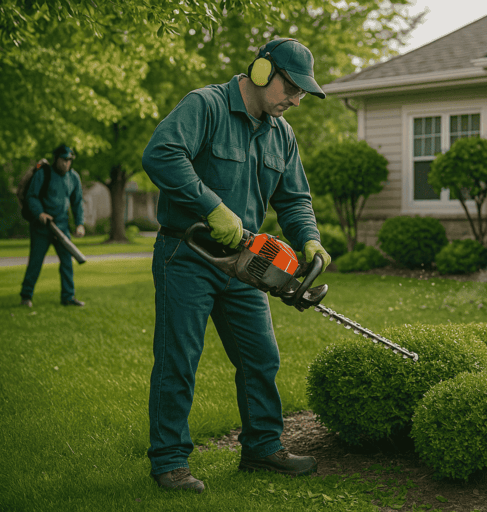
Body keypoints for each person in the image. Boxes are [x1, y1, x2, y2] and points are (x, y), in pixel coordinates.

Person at [141, 38, 332, 494]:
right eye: (292, 88)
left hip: (245, 263)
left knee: (260, 357)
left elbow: (295, 198)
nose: (296, 100)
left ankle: (262, 447)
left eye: (303, 92)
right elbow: (161, 153)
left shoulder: (281, 134)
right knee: (179, 358)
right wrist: (211, 206)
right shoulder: (205, 106)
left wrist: (309, 238)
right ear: (263, 72)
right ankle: (169, 461)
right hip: (187, 253)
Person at [20, 144, 86, 308]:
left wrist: (79, 223)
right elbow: (31, 196)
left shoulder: (73, 177)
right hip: (42, 227)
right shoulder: (43, 174)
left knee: (67, 262)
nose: (66, 163)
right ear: (56, 159)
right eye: (63, 160)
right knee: (35, 262)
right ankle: (26, 296)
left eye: (69, 160)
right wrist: (40, 213)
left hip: (62, 226)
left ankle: (68, 297)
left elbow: (77, 202)